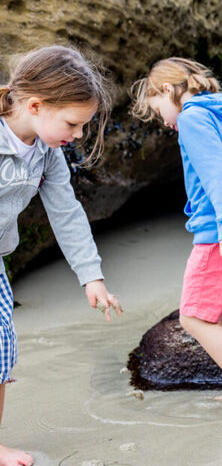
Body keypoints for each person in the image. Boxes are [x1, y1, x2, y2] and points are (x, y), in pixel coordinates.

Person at [0, 45, 123, 466]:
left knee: (2, 349)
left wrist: (91, 275)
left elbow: (66, 212)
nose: (79, 134)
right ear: (35, 105)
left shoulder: (47, 154)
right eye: (73, 123)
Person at [131, 58, 222, 411]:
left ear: (168, 90)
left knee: (193, 317)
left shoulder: (193, 117)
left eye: (158, 109)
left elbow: (217, 174)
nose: (164, 120)